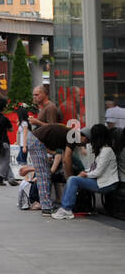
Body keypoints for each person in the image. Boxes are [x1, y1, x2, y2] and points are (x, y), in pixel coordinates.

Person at [52, 124, 122, 219]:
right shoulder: (103, 150)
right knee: (74, 179)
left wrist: (85, 174)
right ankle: (65, 208)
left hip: (106, 184)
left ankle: (66, 209)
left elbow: (97, 172)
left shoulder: (106, 151)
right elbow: (94, 168)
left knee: (73, 180)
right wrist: (85, 172)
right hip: (100, 182)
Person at [26, 84, 61, 214]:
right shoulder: (45, 108)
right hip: (41, 144)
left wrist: (37, 122)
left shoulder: (50, 108)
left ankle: (44, 203)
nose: (34, 97)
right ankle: (44, 203)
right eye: (34, 94)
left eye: (37, 94)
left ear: (44, 94)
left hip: (43, 144)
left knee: (42, 175)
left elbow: (53, 128)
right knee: (42, 174)